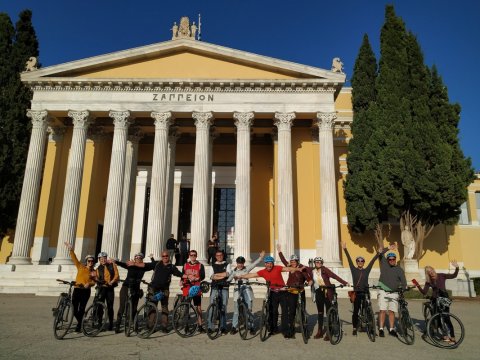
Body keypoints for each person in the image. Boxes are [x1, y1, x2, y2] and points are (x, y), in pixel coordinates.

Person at [237, 255, 304, 338]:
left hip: (282, 292)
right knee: (273, 312)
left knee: (285, 313)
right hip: (272, 293)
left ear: (273, 264)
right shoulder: (263, 272)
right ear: (265, 264)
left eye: (270, 263)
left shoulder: (277, 268)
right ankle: (273, 329)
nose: (269, 265)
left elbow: (288, 269)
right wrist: (241, 276)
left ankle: (286, 331)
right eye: (267, 263)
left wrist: (298, 269)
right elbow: (252, 275)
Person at [412, 261, 459, 344]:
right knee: (437, 318)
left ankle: (453, 337)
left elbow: (454, 275)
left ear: (433, 270)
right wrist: (418, 286)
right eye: (429, 272)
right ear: (428, 274)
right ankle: (445, 336)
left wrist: (457, 268)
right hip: (435, 300)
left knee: (446, 318)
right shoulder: (428, 281)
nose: (431, 272)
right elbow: (424, 292)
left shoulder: (441, 275)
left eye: (432, 270)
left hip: (443, 299)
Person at [137, 251, 185, 332]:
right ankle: (150, 325)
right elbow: (146, 265)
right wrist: (134, 264)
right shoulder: (156, 264)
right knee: (152, 307)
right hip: (154, 288)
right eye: (163, 256)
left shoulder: (172, 267)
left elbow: (179, 273)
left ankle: (164, 326)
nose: (165, 257)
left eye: (166, 256)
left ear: (169, 257)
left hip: (164, 290)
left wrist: (187, 276)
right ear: (161, 256)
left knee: (164, 307)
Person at [341, 241, 379, 335]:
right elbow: (349, 260)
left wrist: (378, 253)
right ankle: (354, 328)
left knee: (368, 309)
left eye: (362, 261)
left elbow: (373, 261)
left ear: (363, 262)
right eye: (358, 261)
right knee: (355, 311)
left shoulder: (367, 270)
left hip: (366, 292)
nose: (360, 262)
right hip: (357, 292)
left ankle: (370, 327)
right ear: (357, 262)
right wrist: (345, 249)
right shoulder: (354, 269)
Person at [310, 255, 349, 340]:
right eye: (317, 262)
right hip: (318, 292)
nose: (318, 263)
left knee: (328, 312)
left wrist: (344, 282)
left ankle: (329, 332)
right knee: (320, 312)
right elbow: (306, 273)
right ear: (314, 263)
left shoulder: (325, 270)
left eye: (320, 262)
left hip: (327, 292)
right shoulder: (312, 271)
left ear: (322, 263)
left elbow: (334, 276)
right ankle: (320, 332)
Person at [278, 244, 312, 339]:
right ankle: (291, 331)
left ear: (297, 261)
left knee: (302, 311)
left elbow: (308, 278)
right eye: (291, 261)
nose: (292, 263)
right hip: (291, 291)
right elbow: (284, 261)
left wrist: (309, 282)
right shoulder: (289, 266)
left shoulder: (302, 268)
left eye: (294, 261)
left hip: (300, 290)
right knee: (291, 312)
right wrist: (279, 252)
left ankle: (304, 329)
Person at [227, 251, 265, 335]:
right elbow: (229, 279)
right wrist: (227, 282)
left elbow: (254, 264)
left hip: (247, 290)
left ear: (243, 263)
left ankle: (251, 326)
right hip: (237, 290)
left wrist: (261, 258)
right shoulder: (233, 272)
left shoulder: (247, 269)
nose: (240, 264)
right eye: (239, 263)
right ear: (236, 263)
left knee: (249, 310)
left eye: (241, 263)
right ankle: (234, 327)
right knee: (236, 310)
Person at [113, 252, 152, 333]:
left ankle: (135, 325)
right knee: (122, 307)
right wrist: (115, 261)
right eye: (136, 258)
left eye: (140, 258)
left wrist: (152, 259)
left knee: (134, 308)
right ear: (134, 258)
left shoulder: (143, 267)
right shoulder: (130, 265)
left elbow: (153, 265)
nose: (138, 259)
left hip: (136, 288)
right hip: (126, 286)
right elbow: (122, 264)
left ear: (142, 259)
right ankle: (118, 325)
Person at [64, 241, 96, 332]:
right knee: (74, 309)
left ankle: (79, 326)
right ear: (86, 262)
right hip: (77, 289)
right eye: (89, 261)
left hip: (86, 292)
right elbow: (74, 259)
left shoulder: (94, 271)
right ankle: (81, 322)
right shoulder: (81, 267)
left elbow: (94, 282)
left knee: (81, 309)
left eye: (92, 261)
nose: (91, 262)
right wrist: (71, 249)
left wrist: (89, 284)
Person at [377, 244, 407, 338]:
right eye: (390, 259)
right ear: (387, 260)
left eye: (393, 259)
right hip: (383, 291)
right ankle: (381, 329)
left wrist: (403, 287)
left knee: (391, 311)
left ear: (395, 259)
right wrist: (388, 248)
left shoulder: (399, 270)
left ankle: (391, 329)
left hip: (394, 293)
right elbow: (380, 253)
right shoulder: (384, 265)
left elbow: (404, 282)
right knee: (382, 310)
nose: (391, 261)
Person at [181, 249, 206, 332]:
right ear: (189, 256)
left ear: (196, 256)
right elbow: (182, 275)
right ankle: (186, 325)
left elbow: (202, 276)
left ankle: (200, 325)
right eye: (191, 255)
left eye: (194, 255)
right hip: (187, 287)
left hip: (196, 288)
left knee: (198, 307)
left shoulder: (200, 265)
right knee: (186, 307)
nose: (193, 256)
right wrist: (182, 280)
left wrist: (196, 278)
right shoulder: (185, 265)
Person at [208, 250, 232, 334]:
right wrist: (222, 275)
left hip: (224, 288)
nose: (219, 257)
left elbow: (228, 274)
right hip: (214, 287)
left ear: (223, 256)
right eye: (217, 255)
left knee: (223, 307)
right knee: (212, 307)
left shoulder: (227, 264)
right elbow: (211, 277)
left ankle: (223, 327)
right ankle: (210, 327)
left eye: (220, 255)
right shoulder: (212, 265)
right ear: (215, 256)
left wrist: (217, 275)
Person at [95, 252, 119, 331]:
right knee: (100, 306)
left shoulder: (112, 265)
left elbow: (116, 275)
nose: (103, 260)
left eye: (104, 258)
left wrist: (112, 282)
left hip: (110, 288)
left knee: (110, 306)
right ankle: (99, 323)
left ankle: (111, 323)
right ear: (99, 260)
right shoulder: (98, 268)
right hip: (102, 288)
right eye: (101, 259)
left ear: (106, 258)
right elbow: (97, 278)